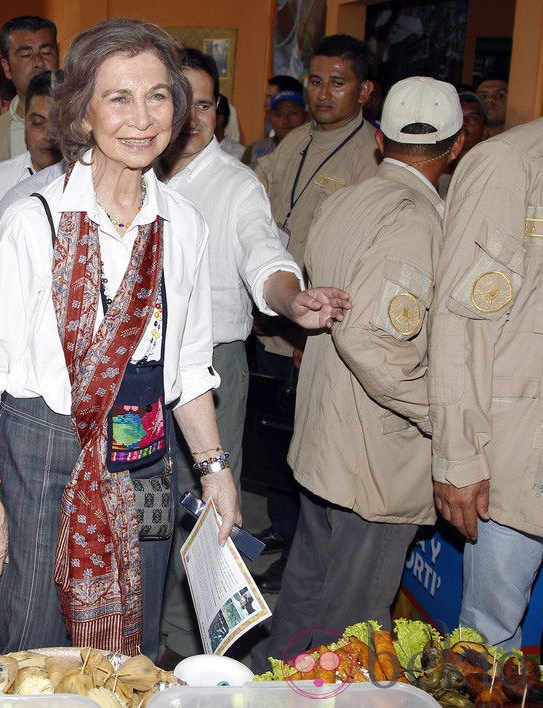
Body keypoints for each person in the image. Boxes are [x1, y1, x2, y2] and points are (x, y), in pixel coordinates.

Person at [0, 18, 344, 659]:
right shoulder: (33, 221)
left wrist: (217, 472)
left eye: (158, 96)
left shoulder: (184, 224)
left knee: (127, 653)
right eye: (119, 97)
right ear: (82, 114)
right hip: (44, 455)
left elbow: (188, 369)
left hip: (145, 460)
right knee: (29, 648)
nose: (141, 118)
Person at [252, 77, 465, 670]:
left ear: (380, 139)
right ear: (458, 143)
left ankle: (274, 686)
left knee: (306, 601)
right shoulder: (415, 220)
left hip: (328, 437)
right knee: (352, 627)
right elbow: (376, 343)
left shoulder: (349, 197)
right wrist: (447, 418)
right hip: (376, 454)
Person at [156, 47, 349, 665]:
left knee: (207, 510)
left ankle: (190, 655)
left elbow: (265, 257)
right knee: (134, 507)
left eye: (204, 105)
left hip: (210, 370)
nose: (190, 117)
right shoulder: (130, 172)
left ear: (219, 112)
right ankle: (131, 640)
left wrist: (292, 302)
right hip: (133, 370)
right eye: (175, 101)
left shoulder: (235, 184)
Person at [251, 34, 381, 593]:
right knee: (270, 431)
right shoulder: (294, 139)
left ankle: (304, 545)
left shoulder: (369, 156)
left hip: (317, 324)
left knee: (309, 438)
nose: (323, 93)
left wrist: (313, 331)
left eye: (338, 82)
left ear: (365, 90)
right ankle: (280, 526)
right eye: (315, 80)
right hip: (272, 312)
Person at [429, 109, 543, 649]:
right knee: (489, 638)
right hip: (525, 444)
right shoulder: (512, 164)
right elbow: (462, 324)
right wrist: (458, 457)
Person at [0, 71, 62, 214]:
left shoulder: (92, 183)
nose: (48, 134)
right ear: (25, 124)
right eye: (38, 123)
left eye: (58, 123)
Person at [0, 16, 59, 167]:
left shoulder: (85, 125)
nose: (39, 62)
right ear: (7, 68)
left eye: (46, 52)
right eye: (27, 55)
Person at [437, 91, 488, 198]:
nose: (463, 123)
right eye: (458, 116)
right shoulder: (431, 167)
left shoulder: (486, 173)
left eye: (473, 117)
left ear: (485, 132)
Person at [242, 90, 307, 168]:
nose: (285, 120)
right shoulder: (255, 149)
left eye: (292, 113)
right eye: (278, 114)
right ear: (270, 118)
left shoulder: (314, 151)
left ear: (306, 117)